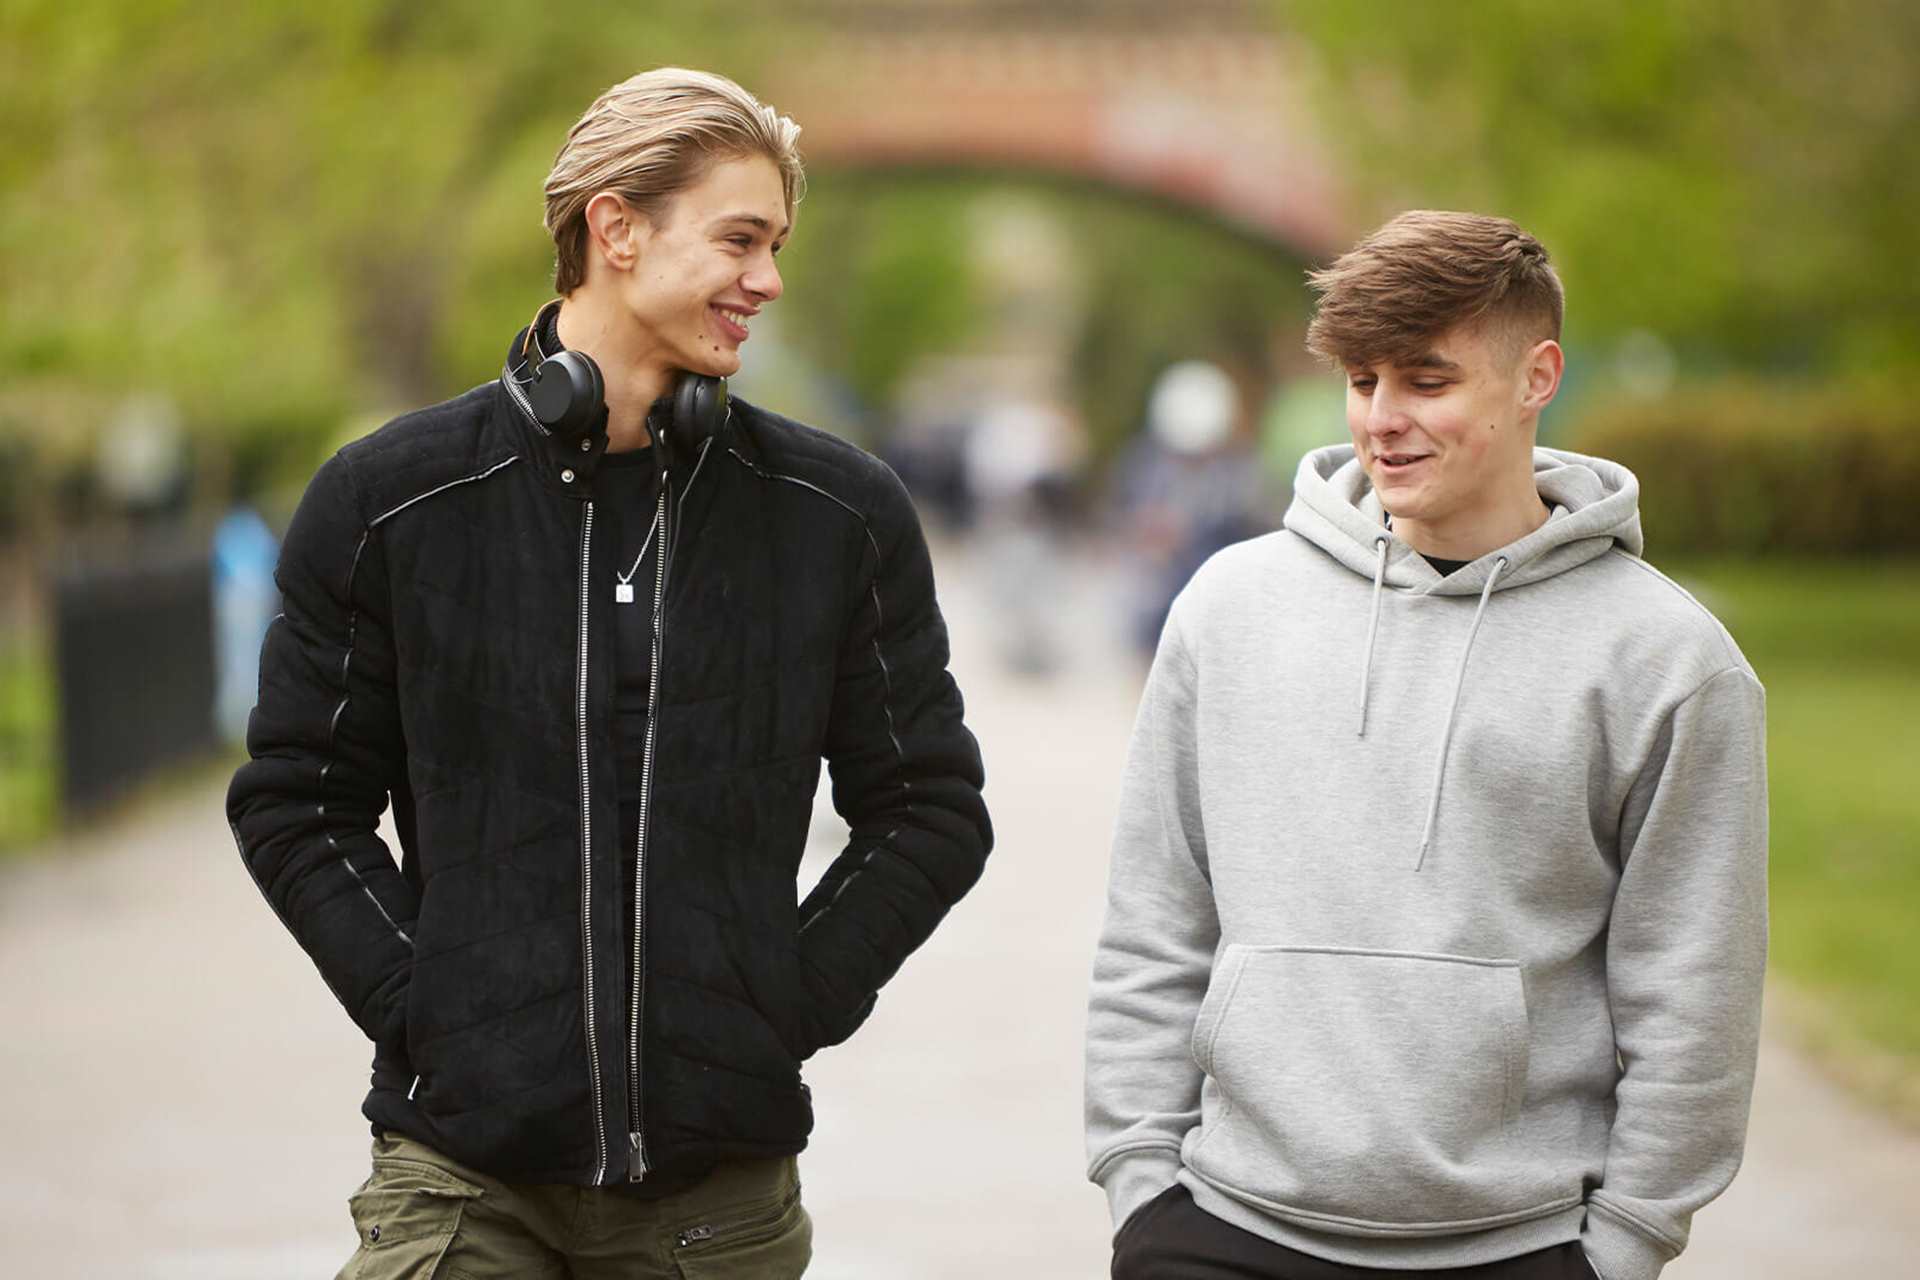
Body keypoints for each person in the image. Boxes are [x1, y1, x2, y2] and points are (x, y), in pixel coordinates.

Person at [228, 68, 991, 1279]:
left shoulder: (837, 515)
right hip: (459, 1178)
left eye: (779, 244)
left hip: (716, 1209)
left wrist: (774, 1005)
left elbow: (932, 811)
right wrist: (431, 1008)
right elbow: (294, 801)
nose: (769, 281)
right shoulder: (389, 503)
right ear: (616, 227)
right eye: (740, 239)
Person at [1085, 210, 1767, 1280]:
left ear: (1536, 375)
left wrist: (1627, 1240)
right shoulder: (1228, 609)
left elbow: (1693, 992)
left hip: (1525, 1243)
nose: (1383, 419)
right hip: (1219, 1227)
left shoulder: (1670, 660)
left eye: (1427, 380)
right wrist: (1140, 1180)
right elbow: (1153, 922)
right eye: (1362, 381)